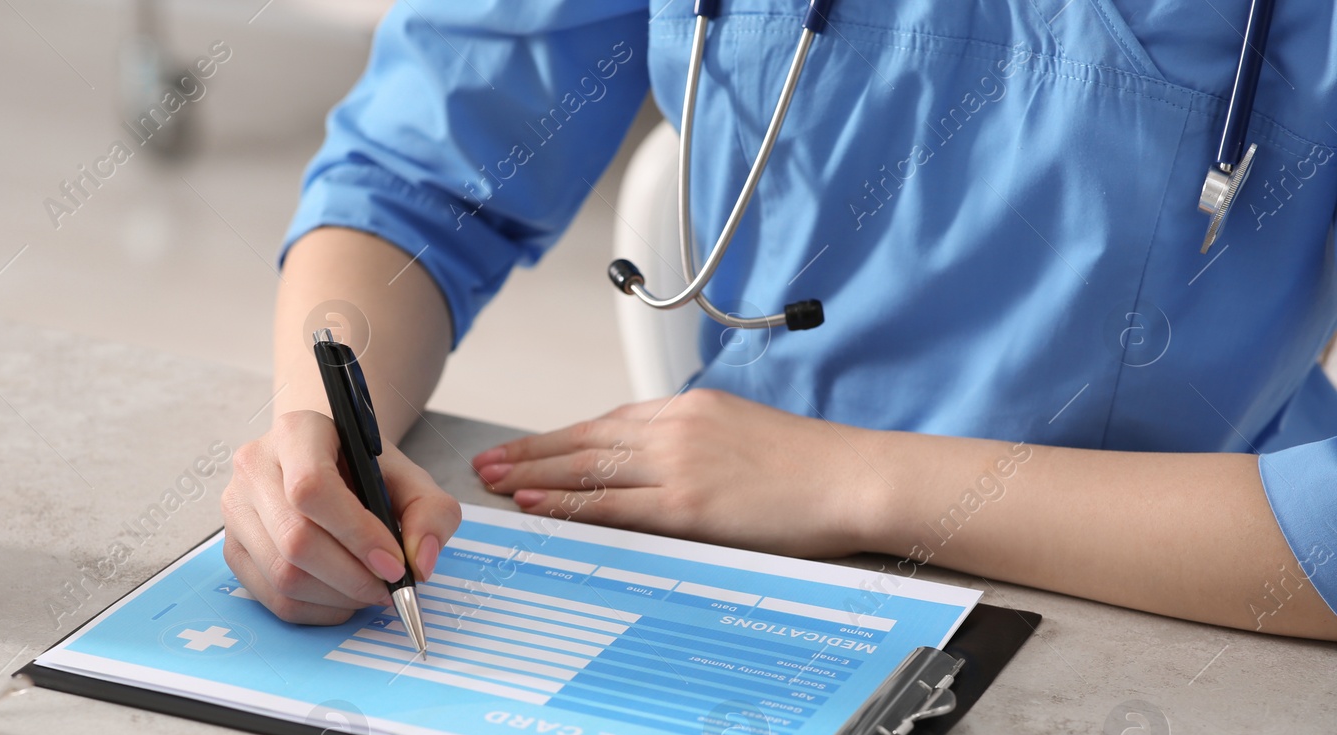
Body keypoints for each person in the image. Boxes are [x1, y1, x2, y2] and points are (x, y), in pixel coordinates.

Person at [220, 1, 1337, 642]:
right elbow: (421, 181)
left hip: (1183, 627)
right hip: (739, 595)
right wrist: (321, 429)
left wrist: (854, 482)